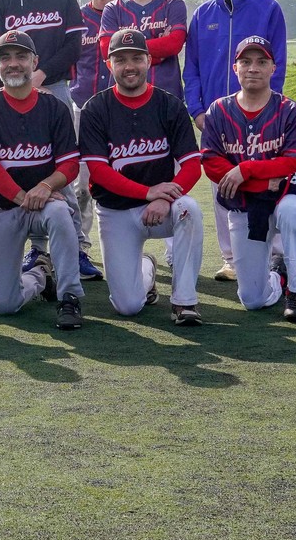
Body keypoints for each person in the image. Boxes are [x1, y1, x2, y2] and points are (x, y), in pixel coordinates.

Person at [80, 29, 206, 325]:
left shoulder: (169, 105)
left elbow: (191, 165)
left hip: (161, 207)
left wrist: (166, 197)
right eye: (121, 59)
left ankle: (184, 301)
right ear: (109, 64)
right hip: (116, 211)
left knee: (190, 209)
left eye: (136, 57)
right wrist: (150, 193)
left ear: (149, 60)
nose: (129, 66)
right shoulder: (96, 109)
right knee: (127, 306)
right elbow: (99, 172)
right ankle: (146, 269)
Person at [183, 0, 288, 283]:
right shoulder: (202, 14)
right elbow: (193, 67)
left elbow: (280, 63)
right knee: (222, 188)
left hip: (261, 116)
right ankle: (232, 258)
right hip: (217, 121)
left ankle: (274, 255)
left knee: (265, 186)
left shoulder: (268, 8)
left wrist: (271, 109)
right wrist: (198, 110)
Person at [0, 30, 83, 329]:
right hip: (2, 208)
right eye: (5, 58)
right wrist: (24, 197)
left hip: (44, 203)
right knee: (4, 305)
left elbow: (70, 164)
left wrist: (45, 187)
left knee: (60, 212)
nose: (13, 63)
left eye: (21, 56)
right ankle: (39, 276)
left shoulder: (54, 107)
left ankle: (69, 297)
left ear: (35, 61)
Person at [200, 36, 296, 321]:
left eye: (261, 62)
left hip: (282, 199)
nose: (253, 68)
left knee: (294, 209)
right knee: (252, 300)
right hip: (244, 206)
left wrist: (245, 170)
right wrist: (263, 178)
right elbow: (212, 164)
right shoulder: (218, 110)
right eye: (246, 61)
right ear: (235, 68)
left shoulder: (288, 109)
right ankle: (278, 277)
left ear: (273, 68)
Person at [67, 0, 119, 281]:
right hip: (81, 106)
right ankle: (79, 250)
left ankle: (127, 249)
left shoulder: (126, 13)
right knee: (81, 185)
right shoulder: (78, 17)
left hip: (120, 110)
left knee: (123, 180)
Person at [99, 0, 187, 99]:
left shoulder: (173, 4)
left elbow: (174, 44)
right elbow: (107, 51)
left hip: (167, 97)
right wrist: (159, 52)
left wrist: (125, 52)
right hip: (122, 100)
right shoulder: (113, 9)